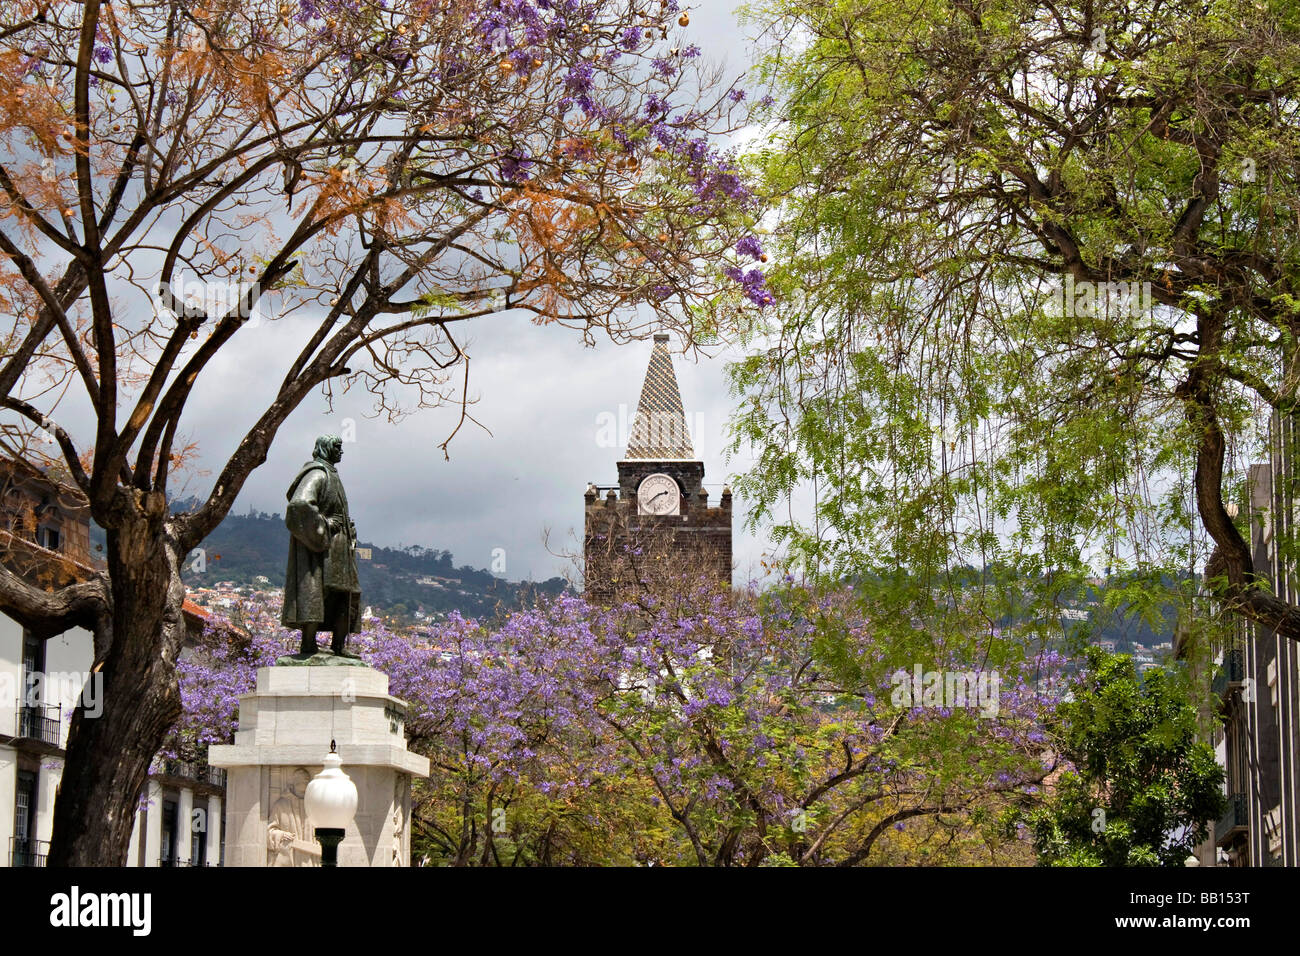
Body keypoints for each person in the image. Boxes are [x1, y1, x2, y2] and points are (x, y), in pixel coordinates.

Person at [281, 435, 361, 657]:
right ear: (326, 448)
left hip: (340, 548)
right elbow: (299, 504)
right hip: (322, 547)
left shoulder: (332, 474)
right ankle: (308, 644)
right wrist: (324, 525)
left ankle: (338, 645)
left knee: (348, 595)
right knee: (315, 592)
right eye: (337, 447)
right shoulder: (317, 473)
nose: (341, 452)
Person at [267, 768, 321, 866]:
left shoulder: (315, 806)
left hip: (312, 859)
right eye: (301, 779)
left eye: (306, 780)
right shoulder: (281, 805)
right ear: (294, 782)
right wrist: (281, 835)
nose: (304, 781)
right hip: (291, 858)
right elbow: (269, 832)